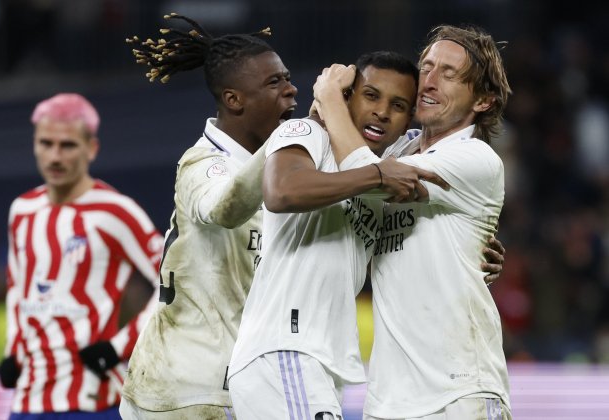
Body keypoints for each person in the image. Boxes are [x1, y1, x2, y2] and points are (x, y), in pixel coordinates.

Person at [227, 51, 505, 419]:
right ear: (347, 96)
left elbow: (392, 193)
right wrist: (327, 100)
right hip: (287, 349)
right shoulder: (312, 134)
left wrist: (470, 245)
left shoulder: (439, 158)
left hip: (368, 375)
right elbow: (281, 191)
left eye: (398, 104)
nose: (382, 111)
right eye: (370, 95)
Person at [313, 24, 513, 419]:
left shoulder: (474, 159)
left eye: (450, 74)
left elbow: (365, 175)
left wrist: (328, 96)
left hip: (458, 393)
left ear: (484, 101)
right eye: (427, 67)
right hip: (389, 400)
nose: (430, 81)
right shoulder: (399, 149)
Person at [118, 15, 299, 419]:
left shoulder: (279, 171)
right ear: (234, 100)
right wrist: (286, 142)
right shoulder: (204, 164)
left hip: (232, 386)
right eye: (274, 83)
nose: (291, 90)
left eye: (287, 78)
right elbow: (224, 208)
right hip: (185, 391)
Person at [0, 93, 164, 418]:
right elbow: (18, 288)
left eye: (68, 145)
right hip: (27, 400)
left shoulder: (115, 211)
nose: (55, 156)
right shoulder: (22, 210)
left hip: (92, 399)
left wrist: (118, 347)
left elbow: (174, 281)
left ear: (92, 148)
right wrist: (11, 351)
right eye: (46, 143)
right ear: (34, 144)